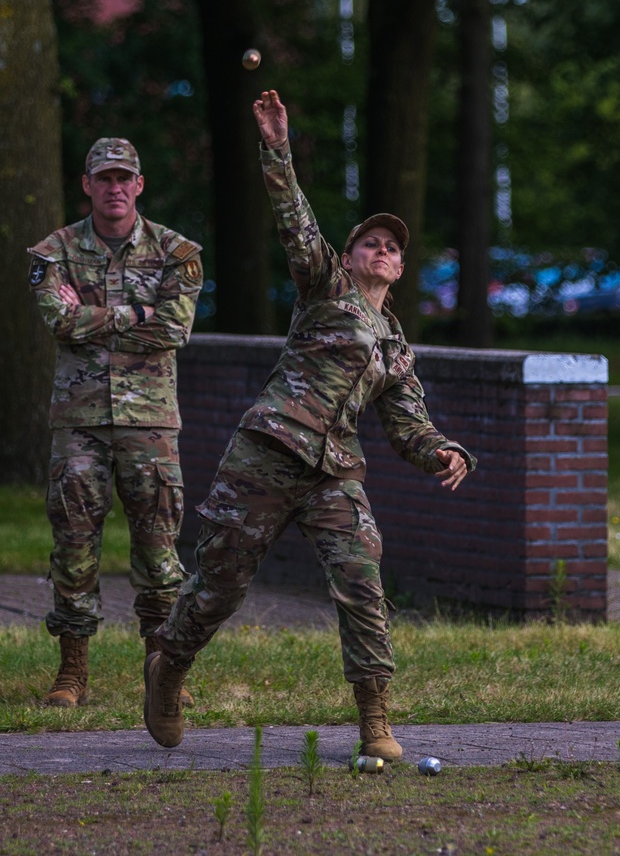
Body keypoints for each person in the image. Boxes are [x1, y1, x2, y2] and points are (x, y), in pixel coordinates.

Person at [142, 89, 476, 757]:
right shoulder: (326, 285)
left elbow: (408, 422)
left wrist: (442, 450)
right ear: (350, 257)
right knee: (220, 584)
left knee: (361, 582)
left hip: (333, 474)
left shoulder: (396, 344)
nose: (381, 250)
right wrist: (276, 147)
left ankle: (375, 720)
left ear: (401, 269)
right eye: (370, 242)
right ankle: (169, 666)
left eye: (392, 248)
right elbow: (294, 219)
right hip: (267, 452)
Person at [28, 137, 204, 708]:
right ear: (87, 185)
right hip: (78, 422)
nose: (114, 188)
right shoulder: (52, 252)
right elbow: (58, 320)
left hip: (150, 421)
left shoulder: (176, 251)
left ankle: (163, 674)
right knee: (74, 543)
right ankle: (72, 672)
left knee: (159, 550)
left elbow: (175, 331)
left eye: (124, 178)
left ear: (139, 185)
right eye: (104, 178)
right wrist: (136, 312)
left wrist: (92, 316)